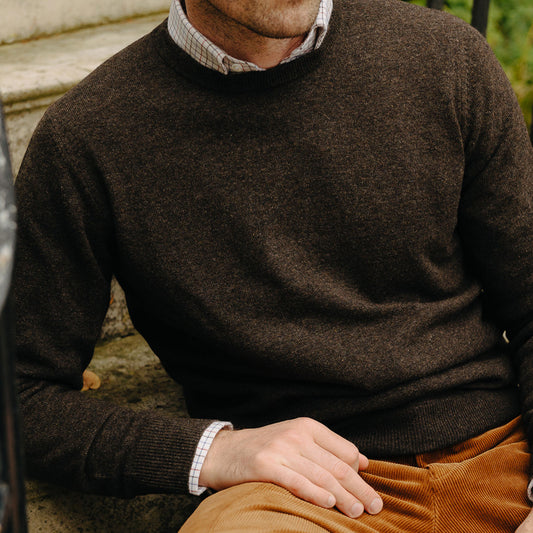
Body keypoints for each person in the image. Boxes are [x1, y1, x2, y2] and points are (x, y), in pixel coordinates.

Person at [13, 0, 533, 531]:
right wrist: (215, 451)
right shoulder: (88, 138)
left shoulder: (443, 57)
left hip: (509, 448)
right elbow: (22, 393)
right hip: (299, 498)